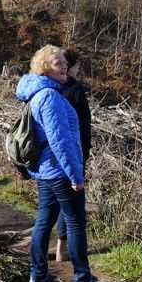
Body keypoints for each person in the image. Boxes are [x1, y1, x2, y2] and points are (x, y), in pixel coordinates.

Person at [16, 44, 108, 282]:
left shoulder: (36, 93)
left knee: (44, 220)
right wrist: (76, 175)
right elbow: (61, 142)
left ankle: (38, 278)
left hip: (46, 171)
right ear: (45, 68)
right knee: (76, 222)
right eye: (58, 63)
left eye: (64, 62)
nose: (64, 66)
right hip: (59, 171)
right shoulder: (50, 97)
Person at [54, 49, 92, 262]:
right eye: (77, 65)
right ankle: (64, 249)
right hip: (74, 150)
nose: (78, 69)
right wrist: (86, 151)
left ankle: (48, 251)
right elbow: (85, 124)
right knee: (73, 203)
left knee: (55, 201)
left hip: (51, 153)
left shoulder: (49, 87)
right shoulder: (76, 89)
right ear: (72, 66)